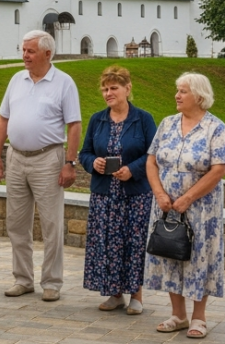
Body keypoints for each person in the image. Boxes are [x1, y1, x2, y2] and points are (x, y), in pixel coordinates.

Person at [0, 30, 82, 302]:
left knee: (52, 223)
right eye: (23, 50)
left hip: (48, 158)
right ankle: (23, 279)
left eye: (30, 51)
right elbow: (2, 120)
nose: (25, 55)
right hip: (16, 157)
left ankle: (52, 282)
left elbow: (74, 125)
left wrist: (70, 162)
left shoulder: (64, 83)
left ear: (47, 54)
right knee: (16, 223)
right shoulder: (16, 80)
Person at [145, 72, 225, 336]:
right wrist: (160, 194)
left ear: (199, 96)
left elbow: (219, 169)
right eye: (177, 90)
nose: (177, 95)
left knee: (197, 258)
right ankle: (177, 315)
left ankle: (199, 317)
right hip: (166, 206)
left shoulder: (215, 127)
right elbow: (151, 161)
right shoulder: (167, 123)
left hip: (200, 208)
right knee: (170, 251)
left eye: (183, 91)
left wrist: (188, 198)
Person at [79, 65, 157, 316]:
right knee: (108, 243)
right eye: (105, 89)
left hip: (135, 195)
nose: (108, 93)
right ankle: (115, 294)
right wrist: (94, 163)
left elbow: (154, 154)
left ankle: (136, 295)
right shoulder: (97, 119)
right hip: (104, 195)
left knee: (133, 243)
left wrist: (132, 169)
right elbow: (85, 153)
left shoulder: (143, 119)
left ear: (127, 88)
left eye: (113, 88)